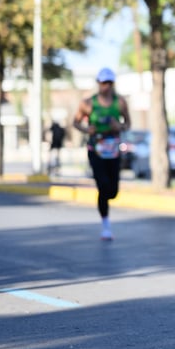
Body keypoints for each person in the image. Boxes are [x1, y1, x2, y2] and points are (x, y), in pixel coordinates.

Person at [72, 67, 131, 241]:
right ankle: (106, 225)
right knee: (103, 185)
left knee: (113, 191)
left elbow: (128, 124)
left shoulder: (119, 102)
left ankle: (106, 202)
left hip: (113, 150)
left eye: (109, 82)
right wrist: (86, 129)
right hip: (95, 149)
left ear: (113, 84)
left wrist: (118, 126)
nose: (106, 86)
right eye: (103, 82)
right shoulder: (88, 103)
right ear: (98, 83)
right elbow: (75, 123)